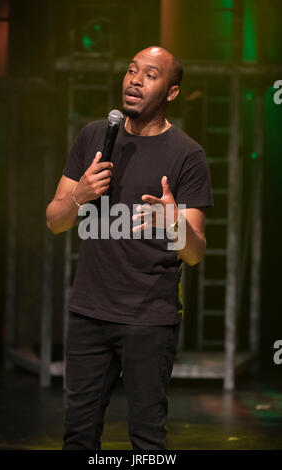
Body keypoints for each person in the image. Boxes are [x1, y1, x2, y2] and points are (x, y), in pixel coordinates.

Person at [46, 46, 214, 450]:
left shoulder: (187, 155)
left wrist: (173, 223)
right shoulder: (93, 136)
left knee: (147, 440)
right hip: (88, 313)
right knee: (79, 435)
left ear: (171, 92)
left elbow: (193, 253)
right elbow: (55, 221)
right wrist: (80, 196)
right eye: (131, 70)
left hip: (148, 318)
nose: (134, 80)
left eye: (150, 75)